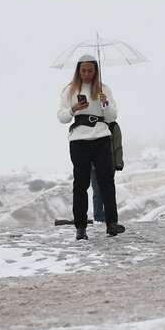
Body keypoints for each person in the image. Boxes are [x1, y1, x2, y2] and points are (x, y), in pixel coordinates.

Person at [56, 55, 124, 240]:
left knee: (106, 182)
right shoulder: (70, 90)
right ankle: (81, 228)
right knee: (81, 184)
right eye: (83, 70)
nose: (86, 74)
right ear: (78, 71)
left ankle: (112, 223)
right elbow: (62, 117)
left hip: (101, 137)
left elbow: (111, 117)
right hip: (79, 140)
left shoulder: (104, 89)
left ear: (96, 71)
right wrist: (74, 108)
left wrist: (105, 103)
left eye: (90, 70)